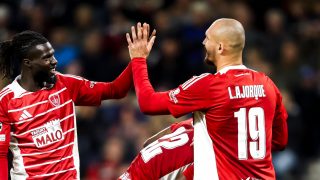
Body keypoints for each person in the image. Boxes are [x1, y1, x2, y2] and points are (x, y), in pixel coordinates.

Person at [126, 20, 288, 179]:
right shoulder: (267, 85)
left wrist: (138, 59)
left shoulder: (210, 85)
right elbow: (280, 141)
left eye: (208, 38)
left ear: (220, 47)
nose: (203, 42)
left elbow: (148, 103)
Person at [0, 30, 134, 179]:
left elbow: (116, 90)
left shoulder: (66, 85)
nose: (54, 61)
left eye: (53, 54)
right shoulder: (6, 102)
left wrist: (137, 60)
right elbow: (1, 154)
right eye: (47, 58)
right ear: (28, 63)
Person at [119, 118, 194, 180]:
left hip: (142, 163)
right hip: (148, 171)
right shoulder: (203, 152)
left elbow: (173, 128)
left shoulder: (195, 122)